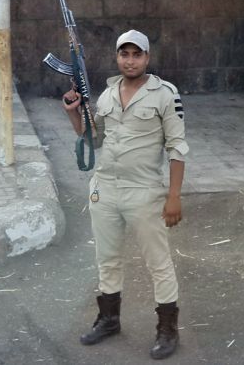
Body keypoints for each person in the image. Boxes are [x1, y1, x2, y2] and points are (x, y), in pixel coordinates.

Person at [62, 29, 189, 360]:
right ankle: (109, 319)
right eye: (124, 54)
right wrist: (74, 111)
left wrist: (174, 196)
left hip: (143, 192)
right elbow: (93, 139)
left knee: (158, 262)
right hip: (105, 188)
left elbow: (177, 147)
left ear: (147, 58)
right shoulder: (107, 95)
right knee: (107, 258)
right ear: (117, 57)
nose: (130, 61)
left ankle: (167, 329)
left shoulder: (165, 94)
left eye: (136, 54)